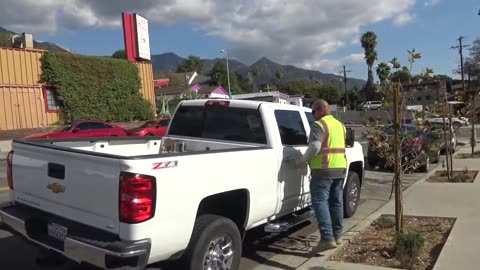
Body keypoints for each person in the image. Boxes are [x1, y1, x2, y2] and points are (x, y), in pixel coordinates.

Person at [291, 99, 347, 254]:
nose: (312, 115)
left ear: (321, 109)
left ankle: (327, 239)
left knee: (320, 201)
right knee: (336, 202)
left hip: (323, 170)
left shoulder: (319, 125)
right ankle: (337, 236)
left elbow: (315, 146)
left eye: (313, 111)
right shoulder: (340, 125)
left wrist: (300, 161)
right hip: (340, 168)